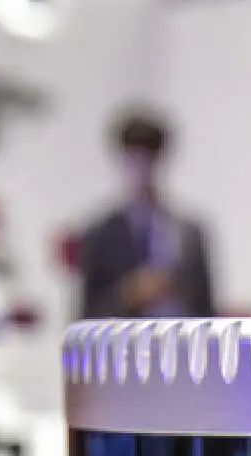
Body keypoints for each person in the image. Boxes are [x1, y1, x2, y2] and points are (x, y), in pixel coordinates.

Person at [77, 109, 217, 320]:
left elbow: (206, 308)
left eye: (148, 160)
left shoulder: (189, 233)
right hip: (126, 337)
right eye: (135, 160)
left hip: (178, 334)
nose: (142, 171)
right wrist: (128, 295)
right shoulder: (100, 235)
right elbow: (85, 315)